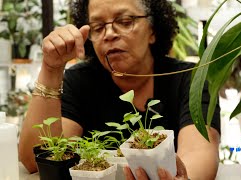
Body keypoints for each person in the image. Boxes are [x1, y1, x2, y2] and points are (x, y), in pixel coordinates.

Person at [18, 0, 221, 179]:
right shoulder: (80, 81)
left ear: (152, 30)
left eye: (125, 21)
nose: (109, 34)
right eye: (97, 27)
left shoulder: (190, 78)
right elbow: (35, 161)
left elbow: (199, 153)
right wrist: (51, 69)